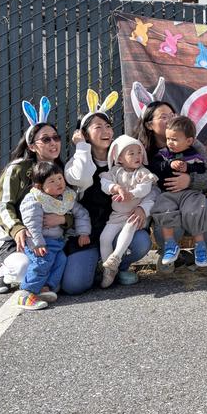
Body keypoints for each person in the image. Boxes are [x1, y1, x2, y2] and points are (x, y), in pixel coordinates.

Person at [64, 91, 153, 292]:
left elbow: (150, 187)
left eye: (108, 126)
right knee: (74, 286)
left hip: (118, 226)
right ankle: (96, 265)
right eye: (98, 127)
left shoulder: (125, 157)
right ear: (84, 133)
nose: (106, 131)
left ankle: (115, 267)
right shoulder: (77, 162)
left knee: (141, 241)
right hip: (87, 234)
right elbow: (82, 177)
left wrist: (143, 209)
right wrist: (82, 147)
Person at [135, 100, 207, 280]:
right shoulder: (143, 149)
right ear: (149, 124)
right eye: (163, 117)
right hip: (164, 199)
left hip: (194, 197)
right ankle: (170, 253)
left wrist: (190, 180)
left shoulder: (192, 144)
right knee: (165, 212)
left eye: (172, 115)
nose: (169, 119)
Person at [0, 97, 66, 294]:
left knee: (58, 273)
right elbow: (2, 205)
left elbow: (71, 205)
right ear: (32, 146)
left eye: (56, 137)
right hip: (14, 238)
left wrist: (66, 219)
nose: (53, 143)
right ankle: (6, 271)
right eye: (46, 139)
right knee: (25, 269)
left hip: (48, 238)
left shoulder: (61, 170)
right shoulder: (17, 169)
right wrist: (17, 229)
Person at [17, 162, 91, 310]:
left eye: (60, 178)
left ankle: (44, 288)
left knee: (60, 261)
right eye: (51, 181)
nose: (58, 183)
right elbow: (32, 224)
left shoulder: (65, 198)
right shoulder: (35, 199)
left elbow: (81, 213)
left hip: (57, 242)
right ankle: (26, 294)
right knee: (41, 263)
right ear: (39, 186)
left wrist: (83, 233)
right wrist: (38, 243)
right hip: (39, 242)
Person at [149, 116, 207, 268]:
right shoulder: (164, 153)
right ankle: (170, 244)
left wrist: (189, 168)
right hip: (168, 193)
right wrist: (169, 164)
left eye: (175, 139)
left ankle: (200, 245)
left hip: (190, 193)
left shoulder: (194, 154)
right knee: (164, 210)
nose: (170, 142)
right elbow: (154, 167)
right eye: (168, 139)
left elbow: (202, 169)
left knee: (194, 212)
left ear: (189, 141)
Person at [98, 135, 158, 287]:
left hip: (133, 214)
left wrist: (132, 194)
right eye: (131, 153)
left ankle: (116, 257)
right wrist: (115, 187)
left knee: (129, 227)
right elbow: (105, 182)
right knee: (105, 238)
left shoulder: (142, 172)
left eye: (139, 152)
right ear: (119, 158)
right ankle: (109, 271)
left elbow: (145, 188)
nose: (137, 156)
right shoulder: (115, 172)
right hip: (117, 215)